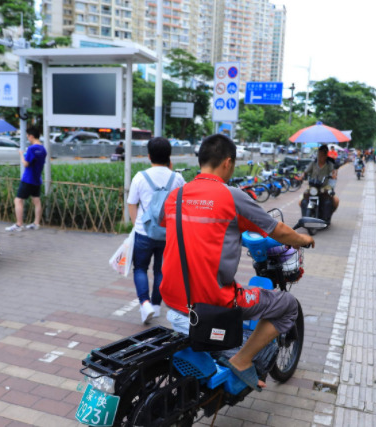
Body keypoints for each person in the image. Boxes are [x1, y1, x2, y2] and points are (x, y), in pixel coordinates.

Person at [159, 134, 314, 391]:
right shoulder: (230, 195)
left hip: (174, 299)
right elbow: (278, 231)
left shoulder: (176, 194)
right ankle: (241, 360)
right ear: (228, 163)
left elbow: (179, 227)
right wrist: (304, 239)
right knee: (286, 305)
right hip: (211, 303)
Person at [127, 137, 185, 323]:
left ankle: (144, 304)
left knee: (141, 268)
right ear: (169, 156)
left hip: (143, 232)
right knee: (161, 271)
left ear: (149, 155)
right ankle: (156, 305)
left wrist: (137, 224)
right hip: (167, 234)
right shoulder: (177, 178)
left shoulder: (140, 177)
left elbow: (131, 204)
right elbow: (181, 206)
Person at [5, 127, 47, 231]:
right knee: (36, 200)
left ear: (31, 136)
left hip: (28, 179)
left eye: (28, 136)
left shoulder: (31, 148)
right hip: (37, 178)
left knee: (18, 200)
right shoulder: (43, 149)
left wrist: (21, 155)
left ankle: (19, 224)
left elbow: (26, 164)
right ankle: (36, 223)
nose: (28, 138)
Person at [300, 145, 340, 219]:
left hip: (325, 186)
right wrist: (301, 176)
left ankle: (329, 214)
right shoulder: (313, 163)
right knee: (301, 201)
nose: (320, 157)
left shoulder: (329, 164)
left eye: (322, 155)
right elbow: (305, 171)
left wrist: (334, 175)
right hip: (313, 186)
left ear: (325, 155)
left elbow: (333, 172)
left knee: (336, 201)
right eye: (319, 154)